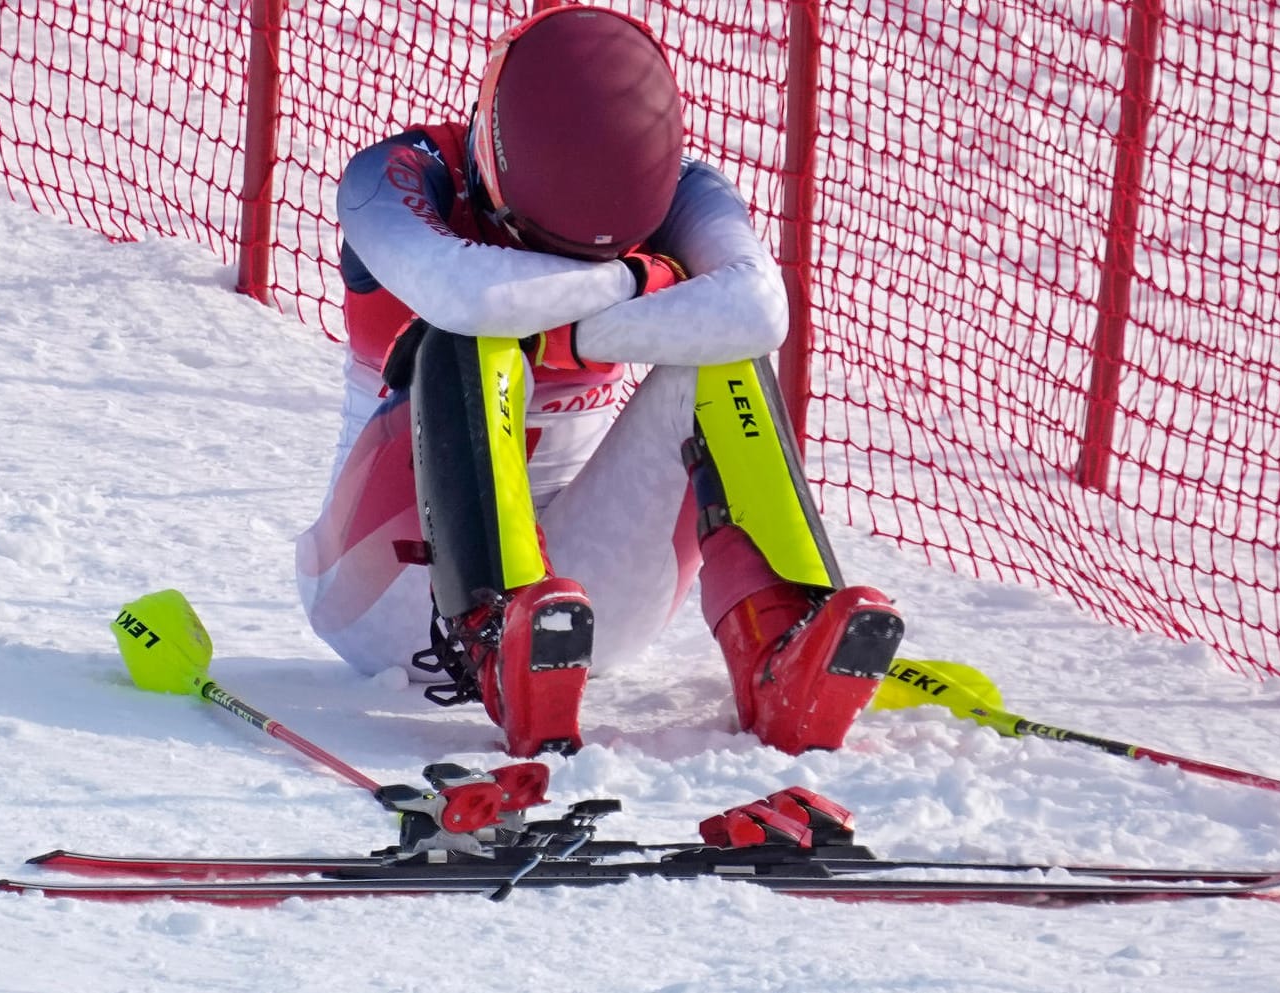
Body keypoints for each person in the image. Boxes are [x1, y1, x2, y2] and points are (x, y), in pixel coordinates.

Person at [296, 5, 904, 757]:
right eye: (537, 242)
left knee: (722, 353)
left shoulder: (688, 188)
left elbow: (755, 308)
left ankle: (778, 641)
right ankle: (495, 626)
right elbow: (472, 297)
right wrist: (638, 279)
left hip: (579, 619)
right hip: (389, 596)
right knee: (470, 338)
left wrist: (566, 317)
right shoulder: (394, 174)